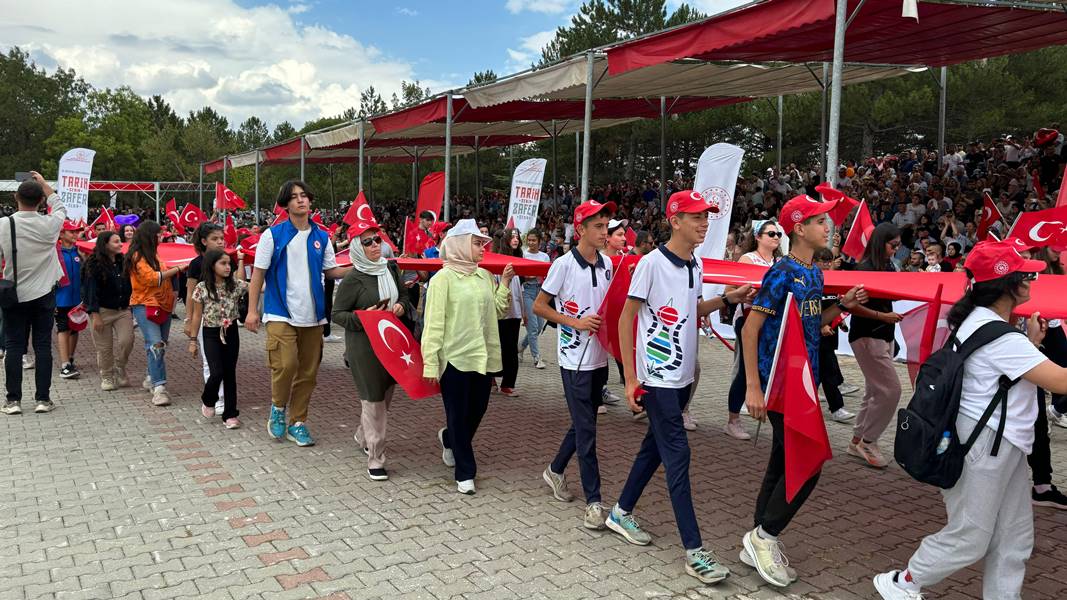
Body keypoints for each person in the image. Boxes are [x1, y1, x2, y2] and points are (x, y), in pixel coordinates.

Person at [873, 240, 1067, 600]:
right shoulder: (1002, 336)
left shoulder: (981, 321)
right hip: (985, 445)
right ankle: (903, 583)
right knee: (971, 536)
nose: (1031, 281)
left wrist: (1033, 345)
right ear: (1004, 285)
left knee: (1014, 538)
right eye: (1024, 276)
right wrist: (1032, 345)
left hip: (996, 443)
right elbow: (1060, 380)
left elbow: (1005, 374)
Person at [612, 190, 756, 585]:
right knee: (678, 456)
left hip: (682, 379)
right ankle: (694, 551)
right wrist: (630, 378)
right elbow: (627, 320)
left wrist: (727, 298)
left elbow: (691, 311)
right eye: (696, 216)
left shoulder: (694, 264)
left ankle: (620, 512)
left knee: (654, 449)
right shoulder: (650, 264)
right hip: (656, 379)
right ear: (674, 220)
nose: (704, 223)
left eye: (706, 216)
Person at [739, 195, 867, 588]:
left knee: (782, 460)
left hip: (804, 380)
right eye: (820, 222)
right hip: (781, 382)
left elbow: (813, 322)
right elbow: (750, 329)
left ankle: (756, 538)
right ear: (799, 228)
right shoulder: (781, 273)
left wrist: (841, 306)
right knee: (808, 461)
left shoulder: (813, 272)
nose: (828, 228)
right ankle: (765, 536)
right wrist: (753, 388)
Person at [246, 180, 350, 446]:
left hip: (313, 315)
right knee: (287, 364)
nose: (301, 200)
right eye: (294, 197)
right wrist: (251, 311)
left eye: (304, 196)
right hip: (279, 311)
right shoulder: (273, 235)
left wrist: (359, 268)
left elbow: (331, 272)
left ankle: (298, 422)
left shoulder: (321, 236)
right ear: (286, 204)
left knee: (308, 373)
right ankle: (278, 408)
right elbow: (258, 275)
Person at [535, 199, 615, 530]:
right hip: (574, 359)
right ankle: (594, 502)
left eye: (606, 227)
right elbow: (540, 306)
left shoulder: (609, 264)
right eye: (598, 226)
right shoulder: (563, 265)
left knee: (582, 423)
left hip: (600, 359)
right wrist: (574, 322)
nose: (604, 232)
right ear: (580, 229)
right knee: (587, 431)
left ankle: (554, 470)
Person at [421, 219, 514, 495]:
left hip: (482, 357)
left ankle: (450, 438)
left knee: (478, 409)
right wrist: (430, 362)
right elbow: (433, 324)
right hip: (454, 359)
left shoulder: (484, 276)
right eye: (477, 243)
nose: (483, 247)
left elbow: (496, 311)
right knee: (459, 414)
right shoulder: (442, 279)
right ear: (460, 244)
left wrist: (505, 283)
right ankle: (466, 472)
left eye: (483, 242)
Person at [332, 220, 412, 481]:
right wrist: (363, 317)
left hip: (391, 344)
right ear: (357, 247)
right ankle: (376, 457)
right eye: (368, 242)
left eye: (377, 239)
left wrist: (400, 306)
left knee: (385, 395)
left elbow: (404, 296)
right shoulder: (353, 278)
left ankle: (363, 434)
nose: (375, 245)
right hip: (364, 347)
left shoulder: (390, 268)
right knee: (373, 399)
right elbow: (337, 314)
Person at [0, 173, 67, 415]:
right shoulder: (50, 223)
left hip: (14, 293)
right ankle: (42, 399)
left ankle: (13, 400)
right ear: (41, 200)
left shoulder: (4, 225)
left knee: (14, 346)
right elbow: (60, 205)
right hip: (44, 294)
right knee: (42, 346)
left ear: (16, 197)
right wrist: (44, 184)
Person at [846, 223, 905, 468]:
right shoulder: (866, 268)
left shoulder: (886, 266)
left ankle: (858, 439)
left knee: (874, 391)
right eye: (893, 246)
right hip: (869, 335)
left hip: (882, 335)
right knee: (891, 391)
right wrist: (883, 317)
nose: (896, 250)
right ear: (882, 243)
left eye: (898, 246)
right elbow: (851, 305)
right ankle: (868, 441)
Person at [724, 220, 783, 440]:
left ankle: (763, 408)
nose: (776, 237)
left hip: (773, 321)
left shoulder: (780, 262)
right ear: (758, 237)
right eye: (771, 234)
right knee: (745, 370)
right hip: (749, 318)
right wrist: (744, 293)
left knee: (768, 367)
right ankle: (732, 420)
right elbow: (729, 289)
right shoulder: (747, 259)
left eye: (778, 234)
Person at [127, 220, 188, 406]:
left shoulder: (155, 255)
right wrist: (178, 269)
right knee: (156, 345)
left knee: (160, 345)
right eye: (158, 234)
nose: (161, 237)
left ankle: (151, 376)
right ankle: (159, 387)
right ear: (149, 236)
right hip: (144, 304)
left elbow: (162, 274)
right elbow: (152, 279)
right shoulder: (137, 257)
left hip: (164, 305)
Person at [184, 249, 247, 429]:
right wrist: (193, 341)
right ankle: (208, 399)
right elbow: (197, 316)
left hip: (231, 332)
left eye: (229, 264)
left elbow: (252, 285)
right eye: (223, 264)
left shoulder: (233, 285)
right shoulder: (201, 288)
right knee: (216, 371)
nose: (228, 267)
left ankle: (230, 414)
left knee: (230, 373)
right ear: (212, 266)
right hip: (210, 333)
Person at [81, 231, 133, 391]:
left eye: (120, 241)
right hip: (101, 312)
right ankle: (107, 376)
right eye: (116, 242)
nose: (120, 244)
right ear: (105, 245)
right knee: (104, 348)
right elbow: (90, 291)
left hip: (122, 310)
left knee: (127, 341)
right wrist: (94, 314)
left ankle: (120, 366)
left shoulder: (123, 261)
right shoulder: (93, 264)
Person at [185, 222, 227, 416]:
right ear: (204, 241)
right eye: (214, 239)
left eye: (221, 238)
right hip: (203, 318)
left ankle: (227, 395)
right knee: (210, 361)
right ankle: (216, 397)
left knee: (225, 360)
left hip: (225, 319)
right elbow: (191, 293)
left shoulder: (227, 260)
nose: (220, 242)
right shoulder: (195, 264)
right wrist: (188, 319)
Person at [813, 247, 856, 423]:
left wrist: (840, 320)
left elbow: (835, 305)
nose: (826, 265)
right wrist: (820, 325)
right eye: (823, 261)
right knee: (826, 372)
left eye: (828, 261)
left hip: (831, 333)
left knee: (823, 371)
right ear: (814, 261)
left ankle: (814, 401)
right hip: (815, 334)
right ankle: (836, 407)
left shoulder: (831, 281)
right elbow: (811, 307)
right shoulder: (812, 280)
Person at [493, 228, 524, 397]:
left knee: (511, 349)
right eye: (512, 236)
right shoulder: (496, 264)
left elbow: (519, 290)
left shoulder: (518, 260)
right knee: (497, 348)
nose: (516, 239)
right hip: (499, 314)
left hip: (514, 314)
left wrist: (523, 312)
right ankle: (491, 379)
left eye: (517, 237)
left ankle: (508, 383)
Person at [55, 220, 85, 379]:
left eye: (76, 231)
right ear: (61, 234)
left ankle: (70, 358)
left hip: (77, 298)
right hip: (60, 298)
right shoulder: (54, 251)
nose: (75, 234)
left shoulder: (79, 251)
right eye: (71, 231)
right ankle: (64, 364)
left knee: (75, 327)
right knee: (63, 328)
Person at [519, 229, 550, 369]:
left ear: (539, 241)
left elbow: (547, 274)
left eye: (534, 240)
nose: (531, 243)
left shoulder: (544, 257)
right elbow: (520, 274)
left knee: (539, 327)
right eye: (529, 240)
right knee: (532, 327)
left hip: (540, 291)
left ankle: (520, 347)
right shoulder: (523, 254)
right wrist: (529, 276)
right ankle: (537, 358)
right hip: (527, 290)